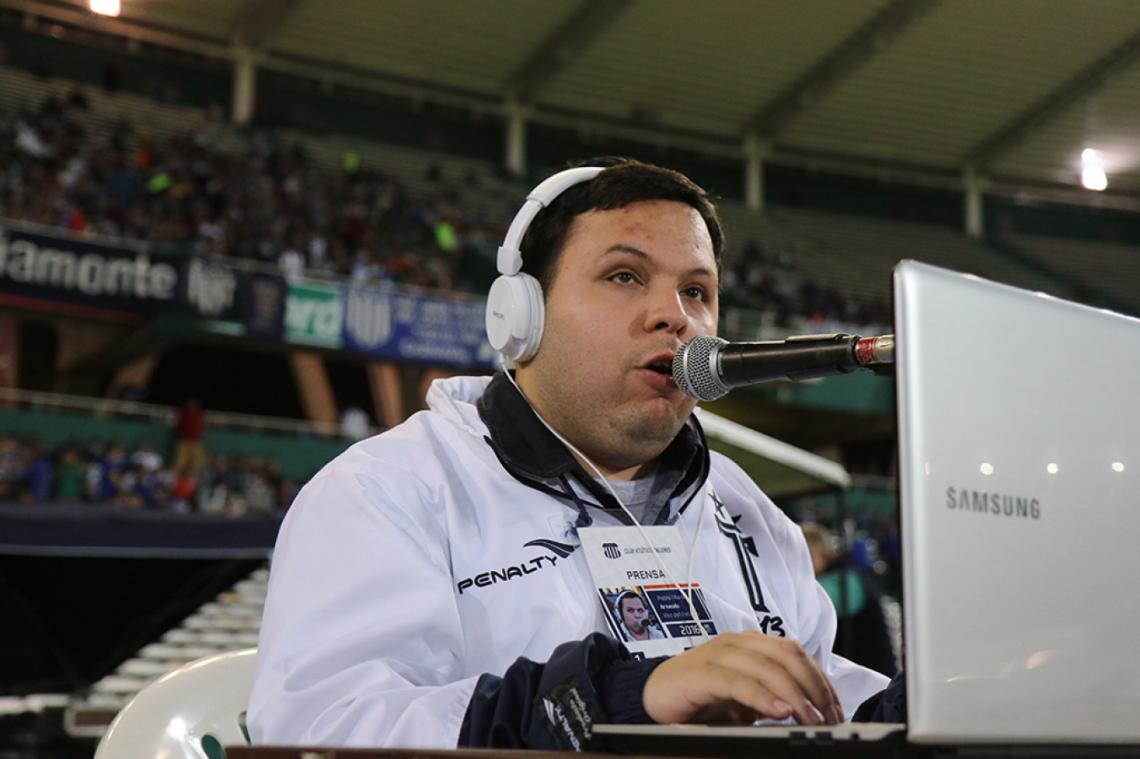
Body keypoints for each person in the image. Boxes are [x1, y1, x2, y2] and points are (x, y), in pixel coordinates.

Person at [248, 158, 891, 750]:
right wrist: (610, 702)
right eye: (624, 276)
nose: (675, 316)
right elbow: (322, 733)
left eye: (696, 291)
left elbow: (826, 703)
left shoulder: (746, 508)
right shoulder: (386, 491)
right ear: (521, 316)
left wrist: (916, 713)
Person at [801, 522, 898, 678]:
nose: (800, 564)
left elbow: (809, 607)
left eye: (806, 556)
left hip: (872, 682)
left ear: (823, 554)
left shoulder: (846, 581)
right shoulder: (846, 575)